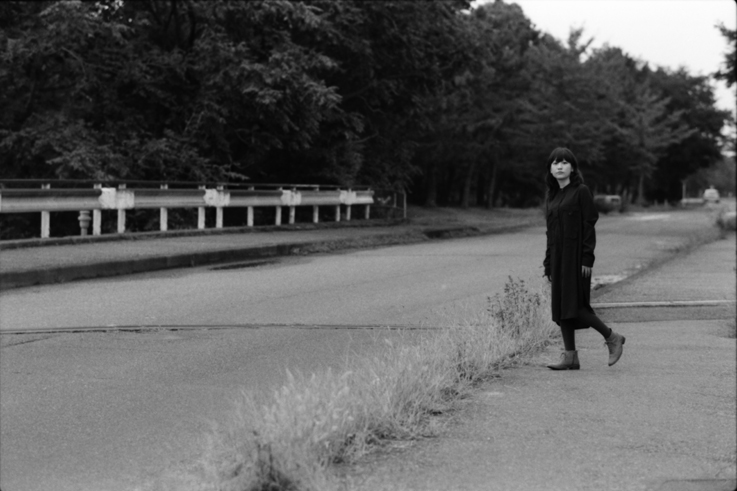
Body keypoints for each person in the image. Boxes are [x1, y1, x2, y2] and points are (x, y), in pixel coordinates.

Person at [543, 147, 625, 370]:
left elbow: (589, 224)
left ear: (572, 168)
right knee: (561, 307)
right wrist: (548, 263)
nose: (560, 166)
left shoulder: (581, 191)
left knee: (576, 305)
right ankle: (570, 357)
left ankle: (612, 337)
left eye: (564, 162)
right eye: (555, 163)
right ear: (550, 169)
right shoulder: (552, 195)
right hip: (558, 259)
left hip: (576, 258)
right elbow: (550, 232)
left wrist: (587, 258)